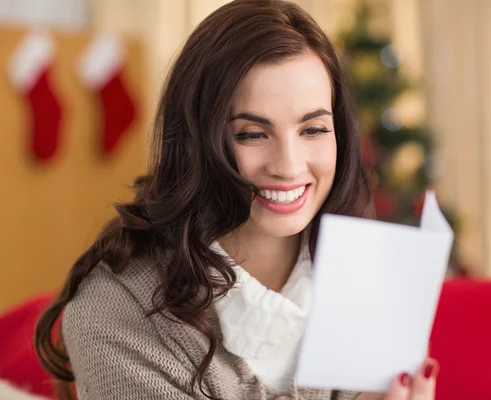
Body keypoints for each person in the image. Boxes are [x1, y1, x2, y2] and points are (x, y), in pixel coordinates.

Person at [34, 1, 439, 399]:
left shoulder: (367, 282)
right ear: (195, 142)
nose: (288, 165)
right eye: (251, 134)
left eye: (313, 129)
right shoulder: (115, 315)